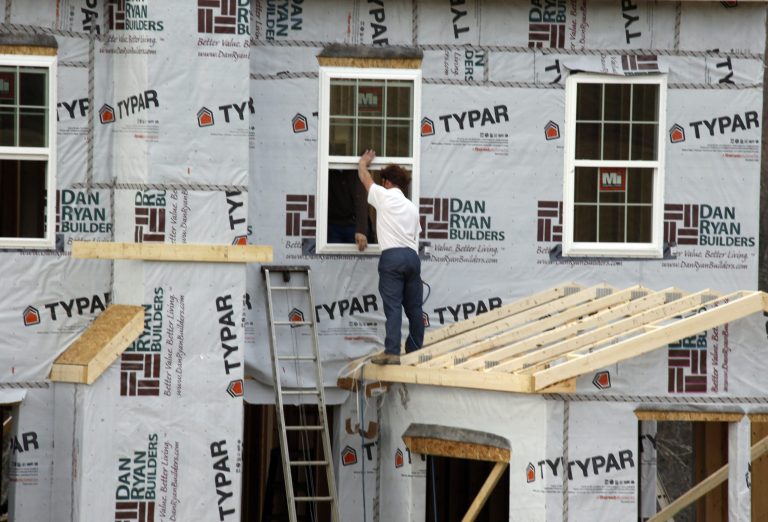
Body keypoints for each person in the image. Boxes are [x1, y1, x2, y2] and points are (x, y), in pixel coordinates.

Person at [357, 149, 423, 364]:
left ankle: (392, 352)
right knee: (414, 308)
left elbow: (365, 179)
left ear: (386, 182)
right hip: (412, 258)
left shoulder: (383, 196)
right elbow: (416, 236)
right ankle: (414, 352)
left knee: (393, 306)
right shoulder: (412, 208)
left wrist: (363, 163)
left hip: (392, 257)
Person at [327, 169, 370, 251]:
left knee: (357, 259)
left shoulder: (355, 172)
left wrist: (361, 229)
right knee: (333, 258)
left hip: (353, 224)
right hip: (334, 224)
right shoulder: (328, 171)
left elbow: (360, 201)